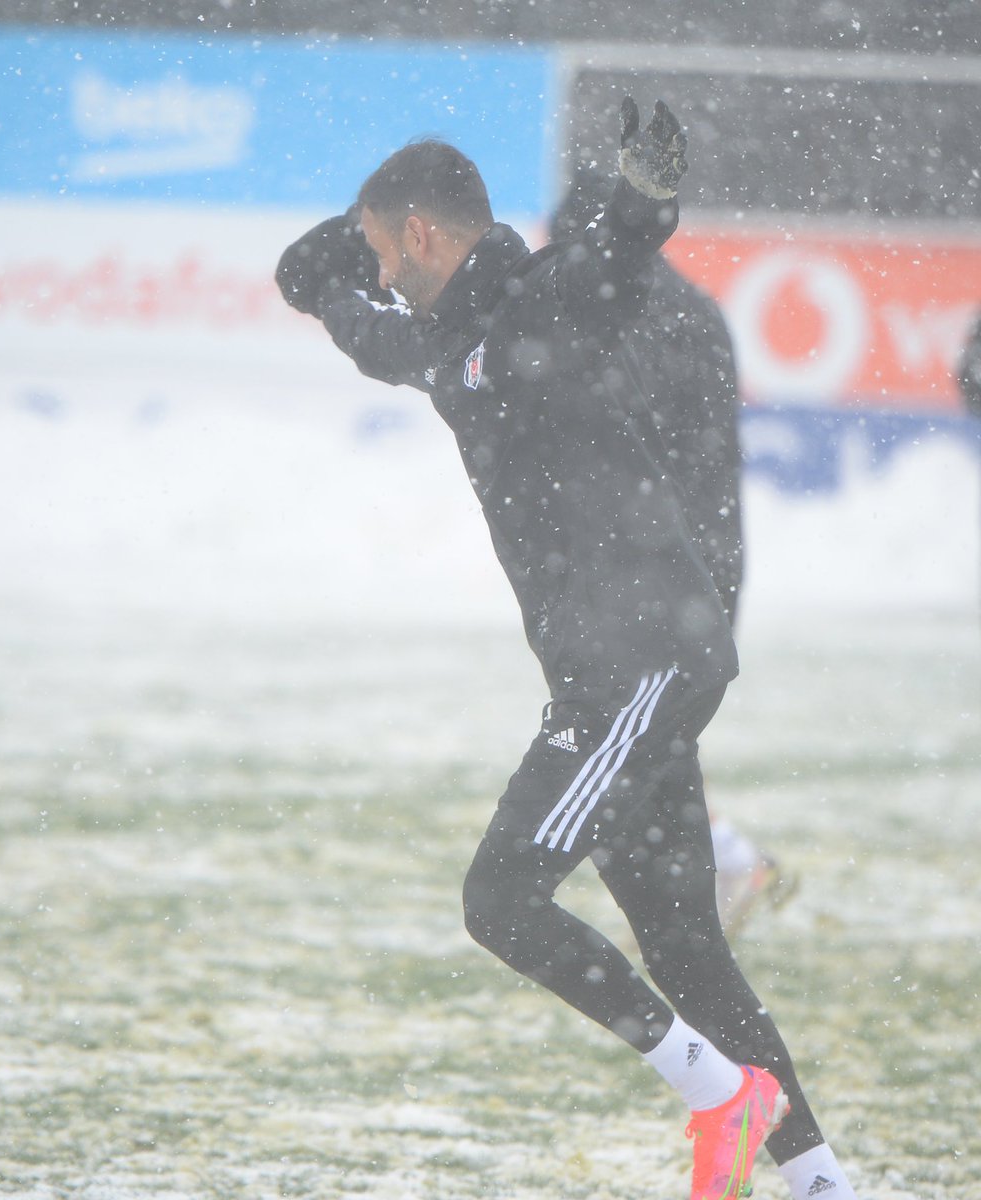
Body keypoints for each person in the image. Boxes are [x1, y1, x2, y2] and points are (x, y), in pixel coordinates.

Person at [275, 100, 859, 1200]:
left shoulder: (544, 303)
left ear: (421, 234)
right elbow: (334, 300)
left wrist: (645, 201)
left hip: (637, 662)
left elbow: (619, 255)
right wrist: (344, 258)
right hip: (625, 665)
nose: (384, 281)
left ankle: (720, 1093)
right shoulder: (443, 339)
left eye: (389, 251)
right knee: (688, 951)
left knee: (501, 899)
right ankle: (828, 1186)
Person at [551, 168, 795, 935]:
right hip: (707, 554)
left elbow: (616, 449)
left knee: (633, 739)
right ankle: (714, 872)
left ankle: (719, 867)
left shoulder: (626, 317)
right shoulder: (695, 307)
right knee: (657, 735)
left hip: (661, 563)